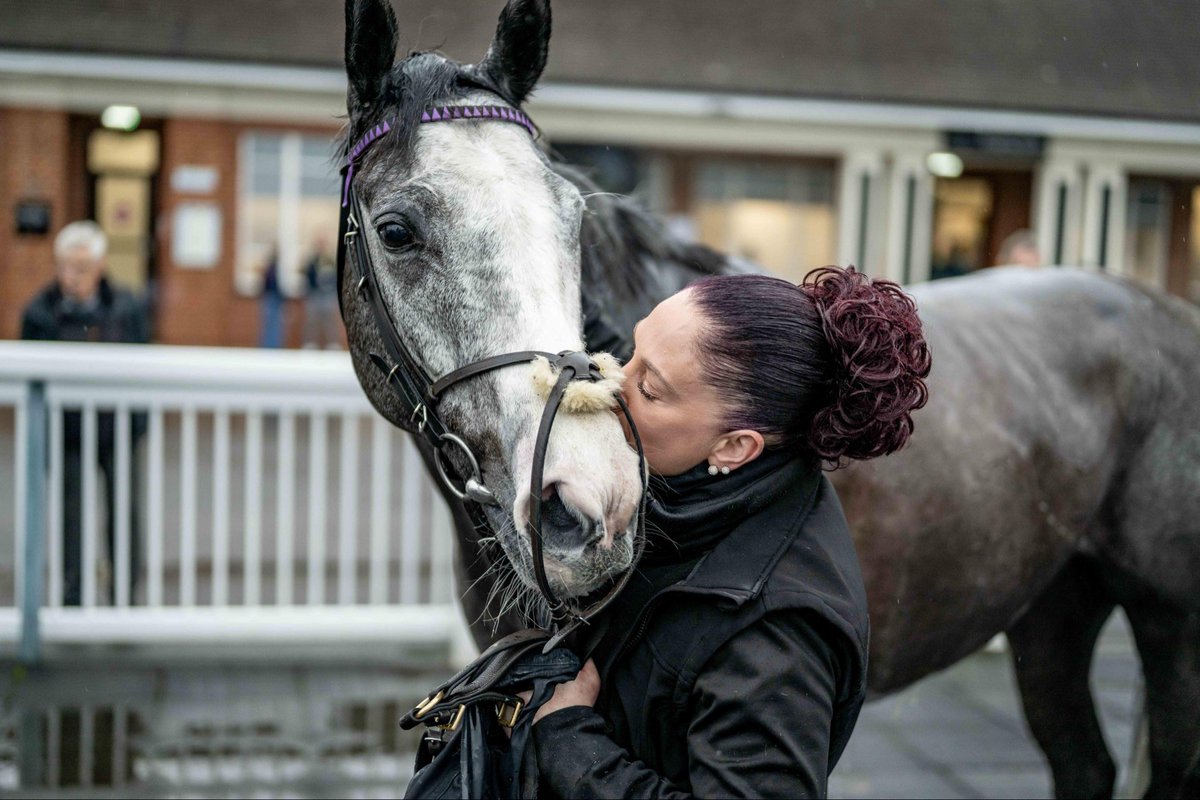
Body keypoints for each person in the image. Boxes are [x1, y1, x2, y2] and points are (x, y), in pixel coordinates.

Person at [530, 266, 932, 798]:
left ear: (735, 447)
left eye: (647, 388)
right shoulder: (714, 471)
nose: (612, 384)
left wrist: (570, 742)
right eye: (631, 350)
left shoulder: (777, 635)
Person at [21, 220, 150, 606]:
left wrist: (138, 426)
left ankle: (124, 598)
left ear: (100, 266)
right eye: (64, 266)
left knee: (124, 514)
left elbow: (143, 367)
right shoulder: (40, 312)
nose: (71, 276)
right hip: (67, 432)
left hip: (117, 428)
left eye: (80, 267)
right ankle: (73, 595)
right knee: (70, 517)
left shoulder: (126, 306)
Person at [302, 237, 341, 349]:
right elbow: (307, 276)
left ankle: (332, 344)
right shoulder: (312, 260)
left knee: (330, 321)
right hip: (315, 294)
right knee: (312, 321)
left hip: (328, 295)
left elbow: (337, 275)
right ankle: (310, 343)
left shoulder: (331, 259)